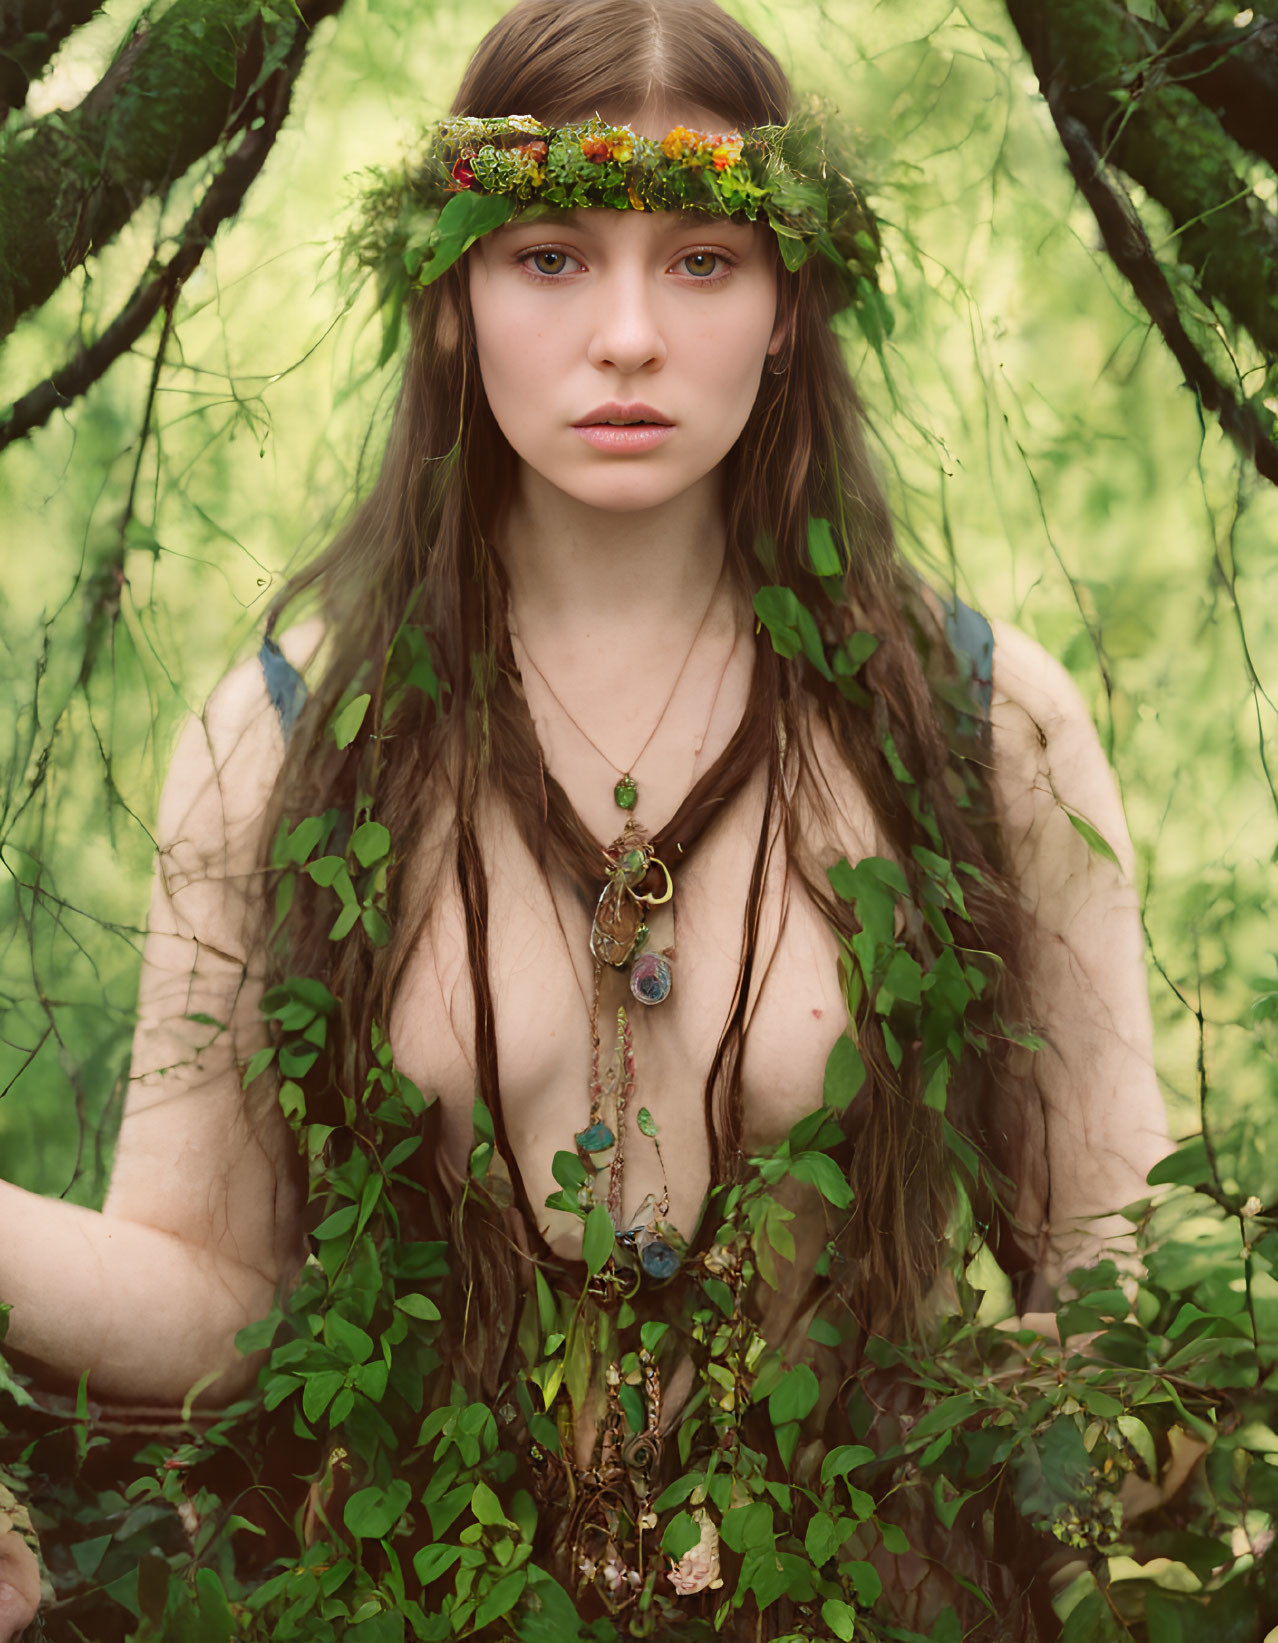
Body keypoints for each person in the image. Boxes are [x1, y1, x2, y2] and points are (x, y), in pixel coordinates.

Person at [0, 0, 1170, 1636]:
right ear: (453, 301)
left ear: (785, 308)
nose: (625, 333)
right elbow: (215, 1298)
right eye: (548, 255)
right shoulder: (281, 743)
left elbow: (1114, 1272)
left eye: (700, 258)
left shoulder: (978, 725)